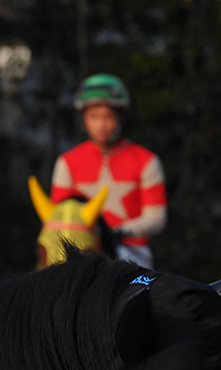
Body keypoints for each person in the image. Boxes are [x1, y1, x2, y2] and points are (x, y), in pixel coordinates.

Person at [49, 74, 167, 269]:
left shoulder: (146, 160)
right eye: (94, 116)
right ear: (83, 118)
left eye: (108, 116)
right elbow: (59, 216)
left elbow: (157, 216)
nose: (101, 124)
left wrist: (121, 232)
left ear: (120, 117)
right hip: (81, 252)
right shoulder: (66, 162)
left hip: (130, 252)